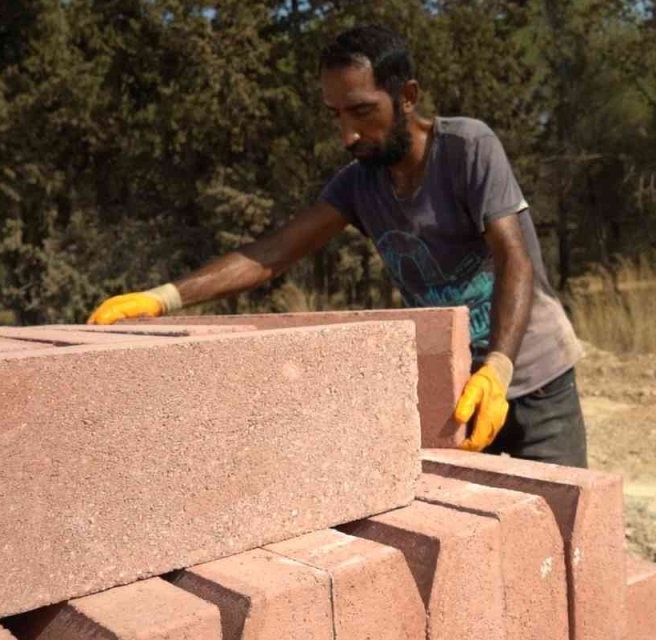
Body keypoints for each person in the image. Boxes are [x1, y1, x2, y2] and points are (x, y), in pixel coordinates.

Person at [87, 24, 588, 468]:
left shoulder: (467, 149)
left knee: (564, 527)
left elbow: (513, 256)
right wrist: (163, 298)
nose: (348, 133)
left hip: (533, 382)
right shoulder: (357, 185)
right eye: (336, 114)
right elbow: (271, 254)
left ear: (407, 96)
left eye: (363, 111)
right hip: (454, 385)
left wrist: (499, 366)